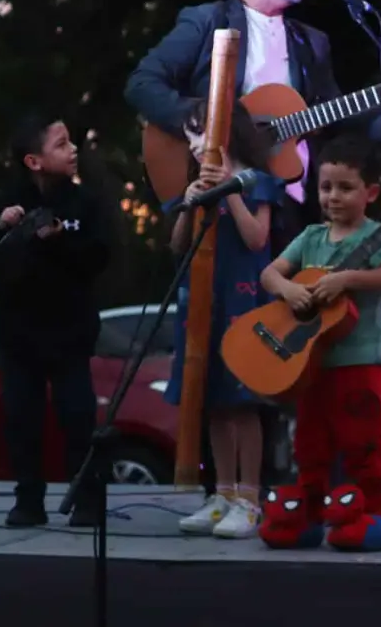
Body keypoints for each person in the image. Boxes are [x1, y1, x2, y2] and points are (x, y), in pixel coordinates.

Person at [123, 0, 381, 252]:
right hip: (220, 192)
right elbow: (141, 83)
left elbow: (337, 118)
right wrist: (206, 123)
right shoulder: (207, 21)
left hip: (290, 202)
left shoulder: (311, 42)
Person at [256, 133, 381, 551]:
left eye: (345, 187)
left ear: (370, 192)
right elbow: (270, 273)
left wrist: (346, 278)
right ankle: (309, 514)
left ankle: (372, 514)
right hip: (311, 363)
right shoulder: (311, 237)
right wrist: (289, 291)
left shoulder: (375, 237)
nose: (333, 197)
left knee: (362, 444)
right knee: (310, 444)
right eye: (325, 187)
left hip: (361, 363)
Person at [0, 113, 111, 528]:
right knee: (21, 419)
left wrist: (60, 239)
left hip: (69, 333)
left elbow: (98, 255)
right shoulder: (10, 196)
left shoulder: (84, 201)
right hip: (19, 335)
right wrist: (3, 222)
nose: (73, 151)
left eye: (71, 143)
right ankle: (28, 501)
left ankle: (87, 500)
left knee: (78, 418)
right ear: (34, 161)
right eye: (62, 144)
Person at [166, 97, 285, 539]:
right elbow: (178, 246)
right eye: (190, 136)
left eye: (201, 132)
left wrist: (231, 190)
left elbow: (257, 239)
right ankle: (222, 493)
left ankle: (249, 499)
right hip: (202, 302)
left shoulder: (258, 181)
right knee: (213, 400)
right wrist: (192, 203)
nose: (196, 144)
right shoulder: (192, 184)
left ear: (227, 130)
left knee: (243, 402)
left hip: (245, 301)